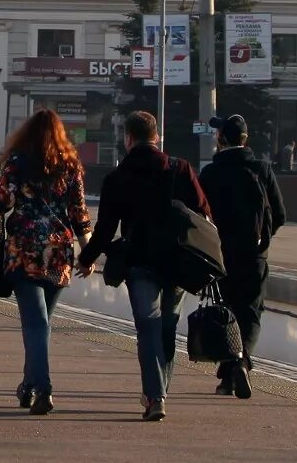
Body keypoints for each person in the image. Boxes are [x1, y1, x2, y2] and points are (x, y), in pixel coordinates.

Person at [76, 110, 211, 422]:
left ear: (128, 139)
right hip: (178, 263)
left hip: (140, 264)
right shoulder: (181, 169)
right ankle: (160, 388)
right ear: (157, 137)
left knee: (147, 327)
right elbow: (204, 214)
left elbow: (105, 230)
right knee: (167, 326)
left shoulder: (117, 178)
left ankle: (155, 396)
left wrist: (86, 259)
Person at [0, 109, 90, 416]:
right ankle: (28, 386)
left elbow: (3, 204)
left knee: (36, 324)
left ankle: (43, 388)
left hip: (25, 250)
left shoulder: (17, 162)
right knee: (42, 323)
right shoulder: (70, 164)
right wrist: (87, 252)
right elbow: (79, 213)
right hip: (59, 252)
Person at [199, 114, 286, 400]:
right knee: (250, 313)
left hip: (220, 256)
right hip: (254, 255)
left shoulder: (211, 173)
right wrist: (262, 240)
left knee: (227, 311)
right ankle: (241, 363)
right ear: (245, 139)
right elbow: (280, 214)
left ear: (221, 139)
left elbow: (198, 213)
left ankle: (229, 374)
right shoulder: (262, 169)